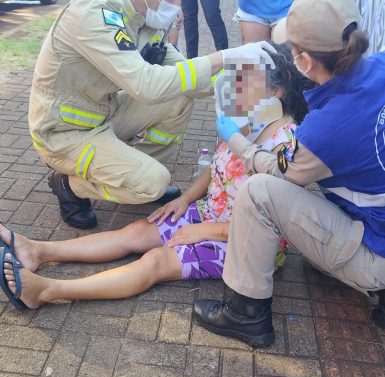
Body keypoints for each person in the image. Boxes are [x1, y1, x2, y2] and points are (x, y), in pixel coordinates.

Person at [0, 44, 310, 310]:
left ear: (277, 91)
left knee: (156, 262)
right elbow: (220, 164)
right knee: (137, 231)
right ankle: (38, 251)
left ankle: (47, 291)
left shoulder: (286, 145)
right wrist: (186, 200)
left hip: (245, 242)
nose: (234, 86)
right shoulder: (250, 119)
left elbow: (269, 222)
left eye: (246, 80)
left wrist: (204, 231)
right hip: (211, 214)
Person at [193, 0, 385, 348]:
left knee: (258, 191)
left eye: (293, 50)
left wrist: (237, 141)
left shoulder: (324, 130)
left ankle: (245, 314)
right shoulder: (380, 65)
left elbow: (280, 174)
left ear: (307, 62)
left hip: (378, 253)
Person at [28, 0, 257, 231]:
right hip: (63, 132)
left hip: (104, 113)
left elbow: (187, 81)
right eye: (171, 0)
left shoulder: (145, 21)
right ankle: (70, 185)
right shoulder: (92, 15)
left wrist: (240, 78)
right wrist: (223, 57)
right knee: (153, 182)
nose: (176, 6)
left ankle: (137, 169)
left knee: (178, 97)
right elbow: (146, 86)